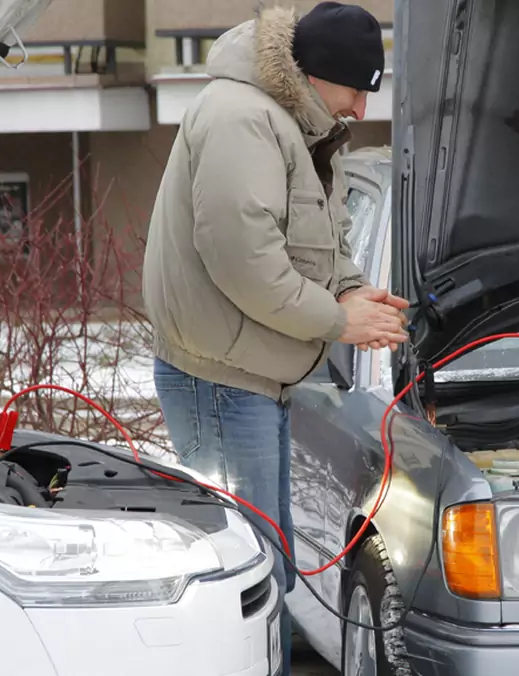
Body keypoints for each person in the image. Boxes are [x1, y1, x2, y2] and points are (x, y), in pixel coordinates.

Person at [140, 3, 408, 674]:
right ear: (319, 76)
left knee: (267, 562)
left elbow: (326, 235)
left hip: (253, 375)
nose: (359, 106)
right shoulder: (241, 119)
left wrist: (350, 288)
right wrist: (336, 320)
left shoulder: (297, 122)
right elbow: (243, 260)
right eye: (356, 88)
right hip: (221, 381)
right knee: (245, 577)